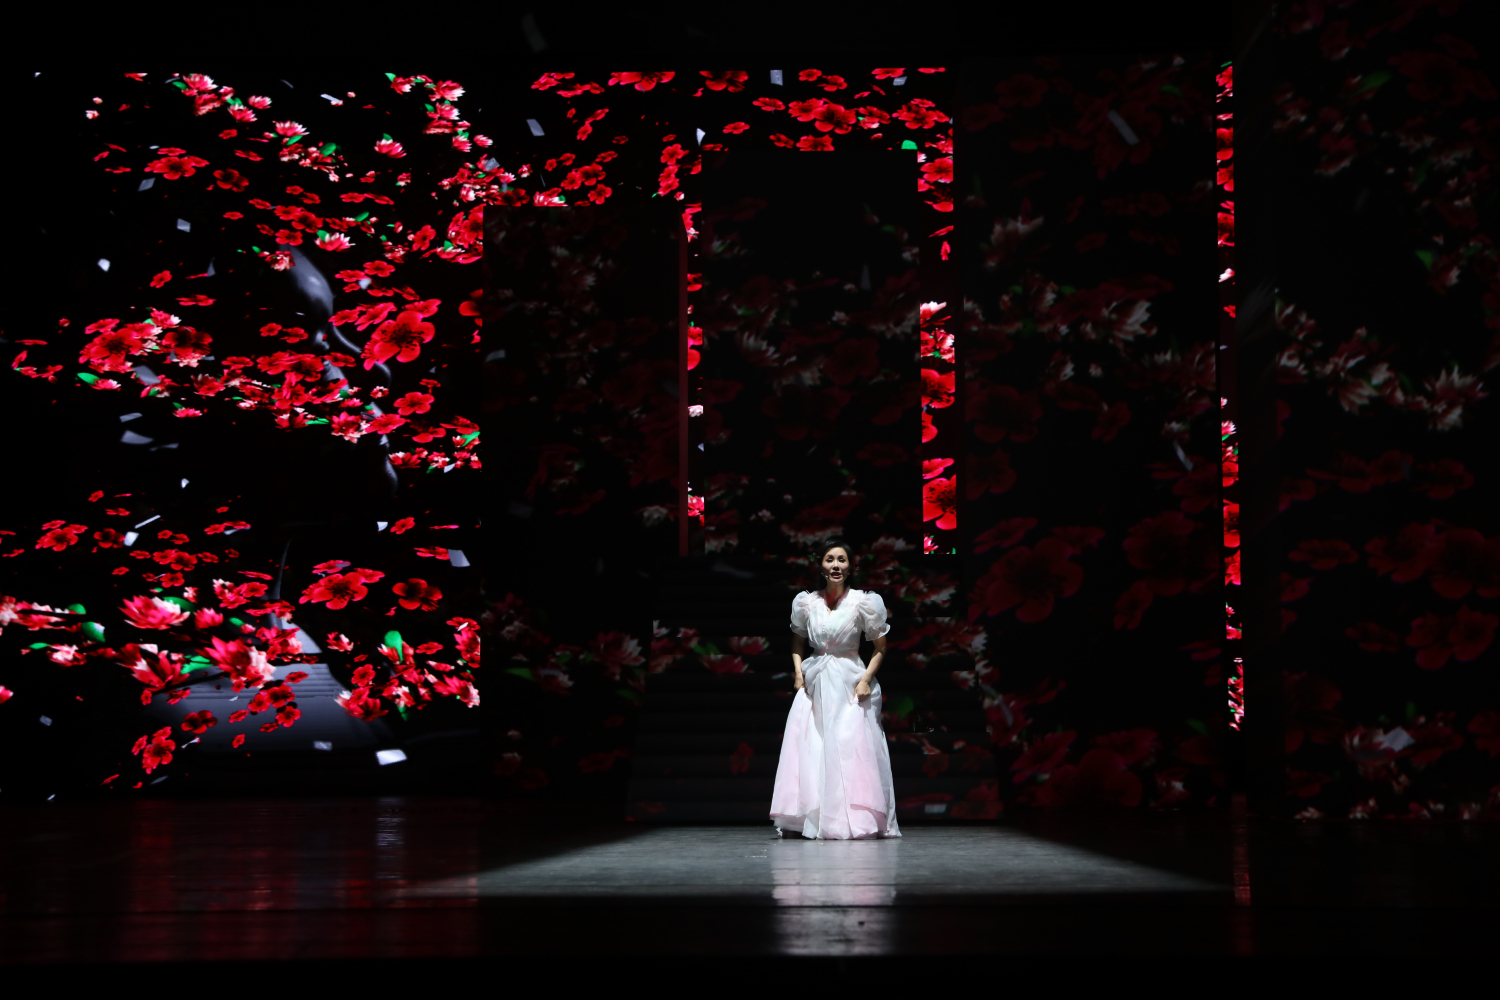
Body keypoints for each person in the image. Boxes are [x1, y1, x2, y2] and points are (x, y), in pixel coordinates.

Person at [770, 538, 901, 839]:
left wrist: (866, 679)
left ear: (851, 567)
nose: (836, 565)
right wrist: (798, 673)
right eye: (830, 559)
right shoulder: (807, 603)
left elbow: (880, 647)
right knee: (813, 745)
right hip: (816, 679)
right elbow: (797, 642)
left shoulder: (863, 602)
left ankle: (854, 819)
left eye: (842, 560)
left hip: (849, 681)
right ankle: (813, 817)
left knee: (851, 747)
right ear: (821, 566)